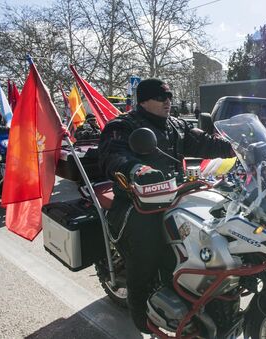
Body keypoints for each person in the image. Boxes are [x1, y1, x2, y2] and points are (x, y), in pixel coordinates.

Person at [98, 78, 233, 333]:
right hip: (137, 203)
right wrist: (136, 168)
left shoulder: (175, 125)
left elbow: (204, 141)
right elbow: (112, 155)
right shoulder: (122, 126)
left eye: (170, 97)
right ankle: (142, 319)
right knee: (146, 250)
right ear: (144, 101)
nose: (168, 102)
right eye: (162, 98)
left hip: (174, 196)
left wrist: (236, 147)